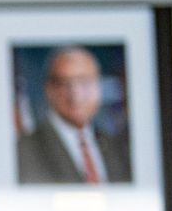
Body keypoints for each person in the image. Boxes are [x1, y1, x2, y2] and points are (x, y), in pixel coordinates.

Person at [18, 46, 132, 185]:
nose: (76, 94)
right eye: (65, 83)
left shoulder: (118, 147)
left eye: (84, 82)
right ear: (49, 89)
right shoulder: (24, 149)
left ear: (98, 86)